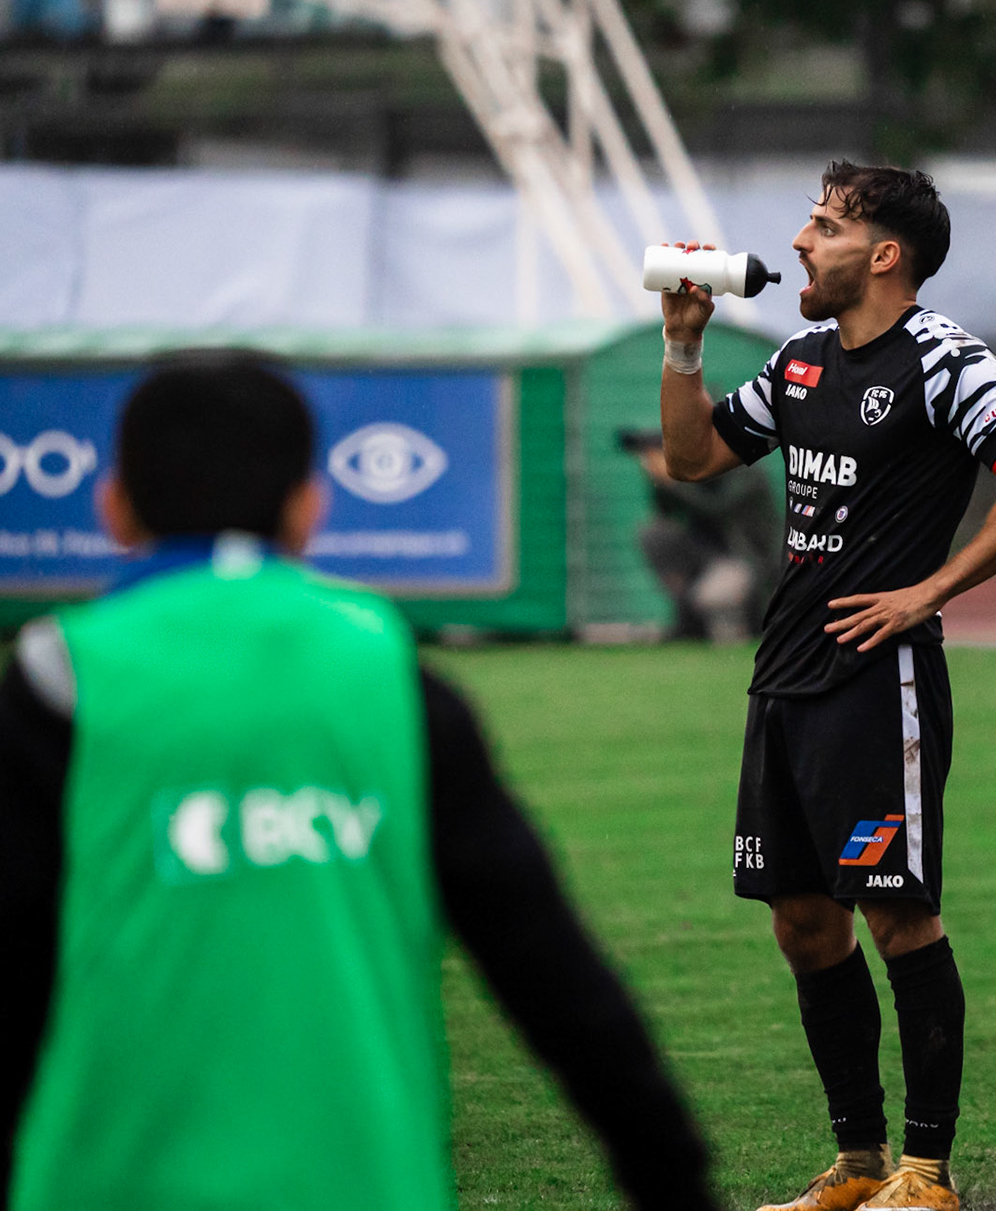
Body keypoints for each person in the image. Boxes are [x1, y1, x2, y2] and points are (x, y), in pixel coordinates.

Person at [0, 356, 716, 1211]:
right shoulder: (392, 675)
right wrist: (674, 1182)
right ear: (311, 508)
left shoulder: (53, 680)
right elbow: (555, 978)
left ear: (112, 507)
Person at [655, 161, 996, 1211]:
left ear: (884, 255)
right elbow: (697, 456)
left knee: (896, 914)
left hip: (875, 683)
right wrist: (683, 345)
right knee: (802, 919)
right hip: (785, 677)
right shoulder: (799, 362)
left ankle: (927, 1172)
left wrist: (928, 589)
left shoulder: (944, 359)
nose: (800, 241)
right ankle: (856, 1162)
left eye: (825, 224)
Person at [618, 426, 779, 642]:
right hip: (710, 559)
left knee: (714, 597)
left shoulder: (745, 470)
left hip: (753, 564)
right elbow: (666, 514)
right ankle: (689, 614)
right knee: (656, 533)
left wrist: (672, 482)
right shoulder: (697, 469)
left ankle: (733, 624)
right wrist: (658, 480)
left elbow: (718, 508)